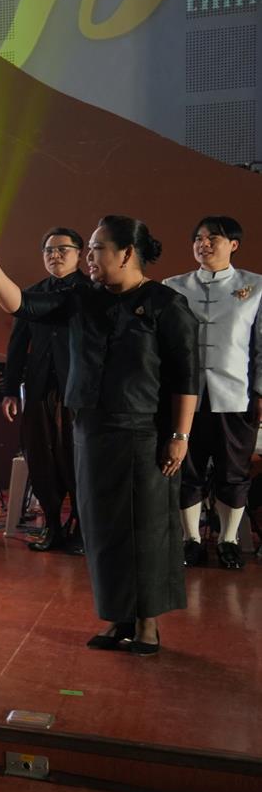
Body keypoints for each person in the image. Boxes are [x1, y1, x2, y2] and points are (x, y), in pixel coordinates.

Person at [0, 217, 199, 655]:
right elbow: (21, 305)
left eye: (97, 248)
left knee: (144, 528)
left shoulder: (165, 303)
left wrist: (180, 435)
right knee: (101, 527)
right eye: (87, 249)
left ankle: (147, 623)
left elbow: (186, 377)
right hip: (90, 428)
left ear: (127, 253)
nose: (89, 256)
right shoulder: (81, 297)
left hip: (143, 432)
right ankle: (118, 617)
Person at [163, 216, 262, 571]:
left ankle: (228, 541)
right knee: (185, 469)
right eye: (198, 238)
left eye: (213, 238)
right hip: (184, 398)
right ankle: (190, 540)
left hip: (235, 396)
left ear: (233, 244)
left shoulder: (256, 286)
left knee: (233, 472)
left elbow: (261, 347)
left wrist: (260, 392)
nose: (203, 244)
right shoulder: (173, 286)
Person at [2, 227, 89, 551]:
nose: (55, 255)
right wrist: (10, 390)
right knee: (41, 458)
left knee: (76, 459)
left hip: (77, 392)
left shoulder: (91, 293)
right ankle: (52, 526)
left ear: (80, 254)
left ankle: (82, 528)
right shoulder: (30, 295)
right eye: (49, 250)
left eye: (63, 249)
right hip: (39, 390)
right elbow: (17, 346)